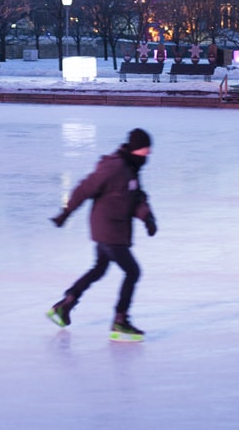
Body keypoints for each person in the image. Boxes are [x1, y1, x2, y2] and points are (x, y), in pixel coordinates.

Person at [47, 127, 157, 342]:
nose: (149, 153)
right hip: (108, 229)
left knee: (99, 268)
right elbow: (84, 188)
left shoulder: (131, 167)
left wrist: (147, 216)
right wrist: (66, 213)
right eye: (146, 149)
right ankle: (120, 321)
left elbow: (135, 197)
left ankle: (66, 304)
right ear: (137, 148)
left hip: (111, 228)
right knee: (132, 272)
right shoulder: (115, 167)